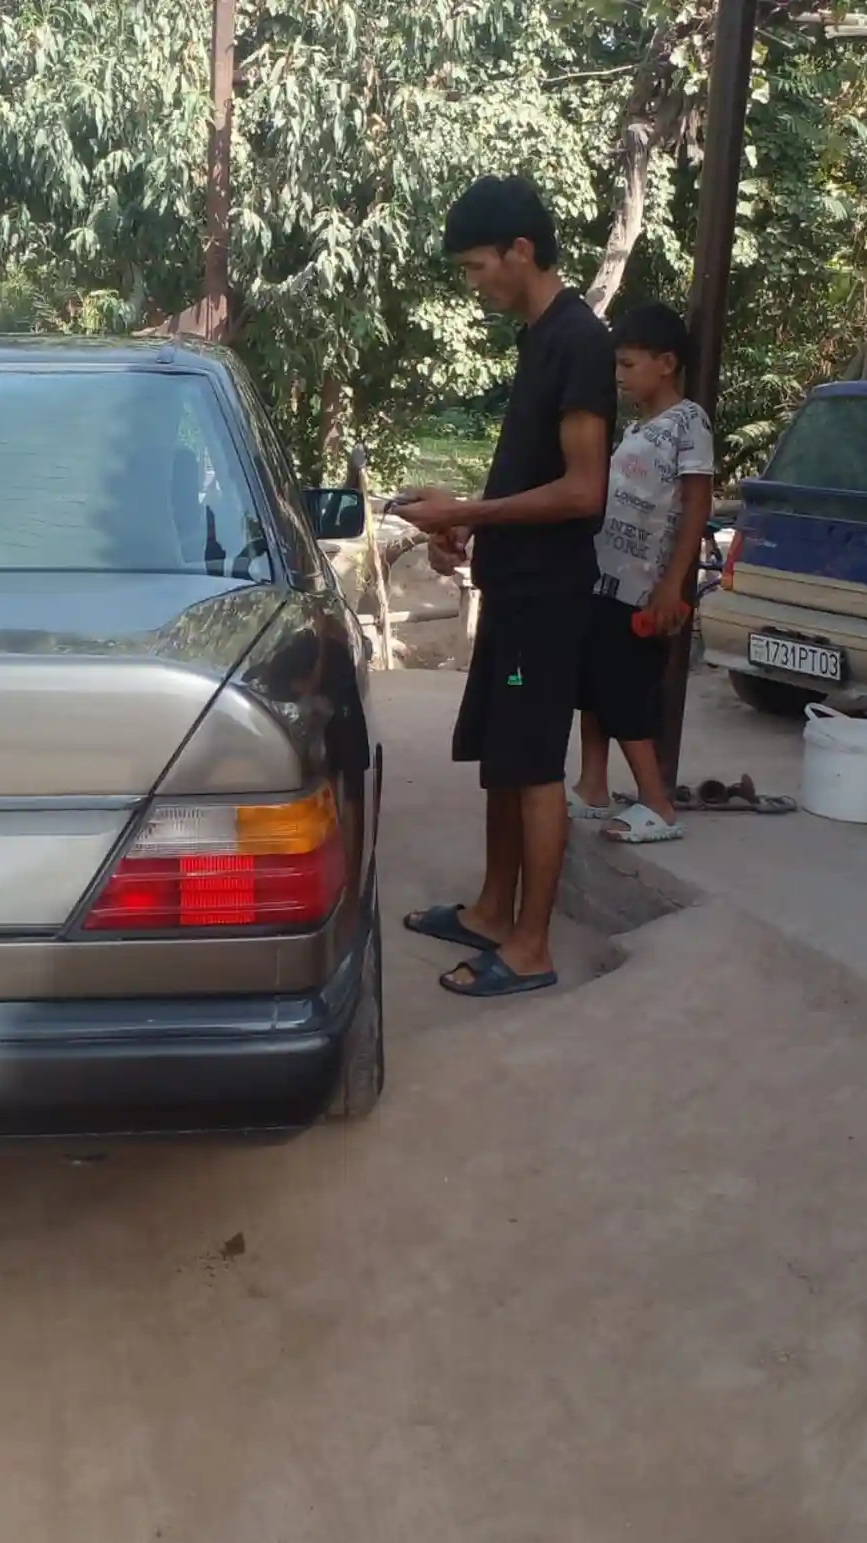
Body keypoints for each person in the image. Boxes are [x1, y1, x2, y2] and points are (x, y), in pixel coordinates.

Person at [395, 175, 617, 999]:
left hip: (546, 600)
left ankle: (531, 947)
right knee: (502, 750)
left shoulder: (580, 342)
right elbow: (532, 473)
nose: (473, 283)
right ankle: (493, 910)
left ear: (521, 250)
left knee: (532, 767)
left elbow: (583, 488)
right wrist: (466, 525)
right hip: (516, 586)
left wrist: (471, 511)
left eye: (477, 266)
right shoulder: (540, 337)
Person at [571, 302, 714, 844]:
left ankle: (658, 806)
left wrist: (672, 586)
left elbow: (696, 506)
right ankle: (592, 786)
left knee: (623, 693)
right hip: (604, 577)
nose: (619, 376)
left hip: (644, 588)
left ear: (666, 362)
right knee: (593, 684)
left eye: (629, 364)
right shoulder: (637, 427)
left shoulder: (687, 422)